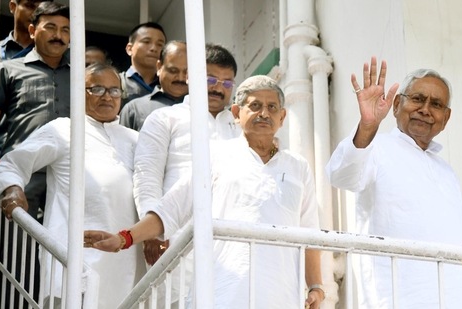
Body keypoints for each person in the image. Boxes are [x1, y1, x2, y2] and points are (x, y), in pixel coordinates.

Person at [84, 75, 325, 309]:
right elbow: (170, 210)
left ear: (282, 117)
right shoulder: (216, 156)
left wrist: (316, 286)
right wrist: (123, 239)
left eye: (272, 107)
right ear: (236, 114)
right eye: (255, 106)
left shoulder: (298, 167)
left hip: (282, 295)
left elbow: (308, 232)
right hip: (222, 291)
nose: (264, 113)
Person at [325, 57, 462, 308]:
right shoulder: (376, 147)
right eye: (418, 99)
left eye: (436, 104)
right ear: (397, 104)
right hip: (401, 297)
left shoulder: (446, 172)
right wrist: (367, 126)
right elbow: (341, 175)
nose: (425, 109)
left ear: (446, 117)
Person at [0, 63, 146, 308]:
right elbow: (12, 163)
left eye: (114, 90)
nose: (107, 96)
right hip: (74, 259)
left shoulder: (135, 139)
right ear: (79, 92)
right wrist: (12, 188)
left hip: (127, 260)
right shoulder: (64, 129)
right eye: (96, 89)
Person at [134, 43, 240, 265]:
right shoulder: (165, 118)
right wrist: (151, 232)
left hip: (231, 246)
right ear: (192, 77)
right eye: (210, 80)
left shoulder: (240, 129)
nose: (218, 89)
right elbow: (147, 176)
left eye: (227, 83)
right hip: (175, 240)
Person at [0, 2, 69, 306]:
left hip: (67, 181)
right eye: (50, 27)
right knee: (15, 260)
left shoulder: (83, 78)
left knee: (61, 260)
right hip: (23, 179)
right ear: (31, 30)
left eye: (65, 29)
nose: (59, 35)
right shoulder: (8, 70)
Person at [0, 0, 50, 162]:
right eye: (30, 6)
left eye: (41, 9)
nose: (35, 13)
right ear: (13, 7)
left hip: (36, 159)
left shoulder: (57, 61)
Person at [119, 40, 188, 131]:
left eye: (187, 72)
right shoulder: (134, 109)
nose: (180, 78)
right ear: (159, 67)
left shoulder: (206, 107)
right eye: (173, 71)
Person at [120, 22, 166, 106]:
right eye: (146, 42)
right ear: (129, 49)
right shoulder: (118, 82)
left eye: (160, 44)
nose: (154, 48)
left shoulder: (169, 85)